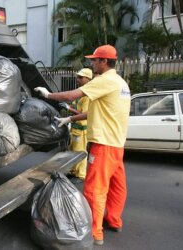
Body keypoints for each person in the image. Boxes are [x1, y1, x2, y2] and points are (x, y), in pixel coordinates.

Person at [34, 44, 131, 246]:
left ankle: (95, 233)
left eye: (95, 60)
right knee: (116, 187)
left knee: (95, 190)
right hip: (117, 144)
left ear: (104, 62)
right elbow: (97, 112)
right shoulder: (121, 83)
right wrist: (69, 120)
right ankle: (114, 220)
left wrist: (48, 95)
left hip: (103, 145)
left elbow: (72, 95)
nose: (92, 63)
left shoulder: (104, 80)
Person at [59, 68, 92, 183]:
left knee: (81, 152)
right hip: (75, 128)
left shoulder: (88, 97)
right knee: (73, 151)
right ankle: (73, 172)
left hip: (82, 130)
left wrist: (69, 109)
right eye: (77, 77)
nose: (78, 79)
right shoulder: (81, 94)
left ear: (88, 79)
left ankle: (81, 175)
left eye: (81, 77)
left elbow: (84, 114)